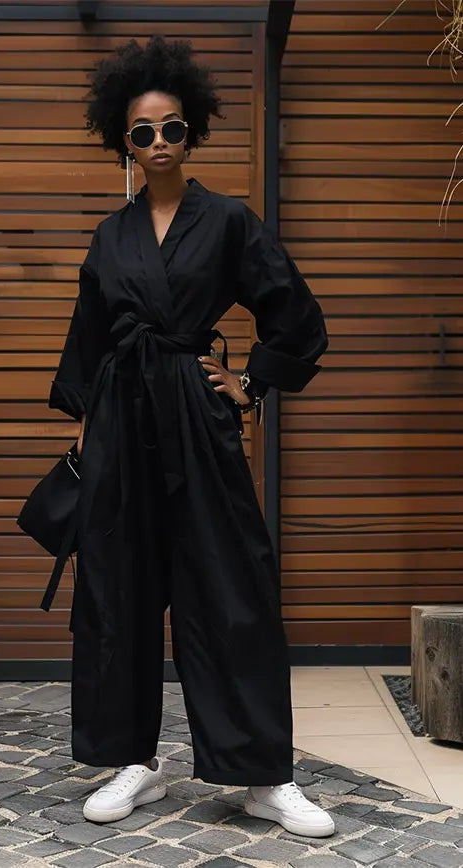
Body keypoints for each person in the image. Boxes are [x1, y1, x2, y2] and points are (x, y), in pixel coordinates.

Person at [49, 36, 334, 838]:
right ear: (123, 142)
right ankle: (131, 761)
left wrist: (251, 384)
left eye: (173, 128)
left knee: (231, 590)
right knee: (118, 589)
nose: (160, 143)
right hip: (122, 425)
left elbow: (294, 313)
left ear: (191, 130)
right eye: (143, 133)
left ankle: (261, 774)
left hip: (198, 420)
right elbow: (89, 337)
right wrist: (93, 427)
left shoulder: (231, 222)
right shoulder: (111, 236)